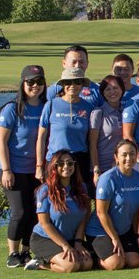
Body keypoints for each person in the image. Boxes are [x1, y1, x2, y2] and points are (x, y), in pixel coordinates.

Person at [0, 65, 46, 267]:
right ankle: (13, 253)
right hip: (15, 169)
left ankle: (27, 251)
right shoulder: (13, 109)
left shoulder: (46, 106)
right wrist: (6, 169)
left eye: (39, 82)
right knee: (20, 212)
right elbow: (1, 141)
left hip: (38, 169)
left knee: (35, 211)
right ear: (23, 83)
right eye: (30, 82)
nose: (35, 86)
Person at [84, 139, 139, 271]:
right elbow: (101, 212)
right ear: (116, 157)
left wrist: (135, 235)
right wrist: (114, 238)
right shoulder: (108, 179)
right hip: (100, 231)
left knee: (134, 261)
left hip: (123, 230)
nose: (129, 158)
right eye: (124, 155)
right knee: (116, 264)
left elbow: (135, 210)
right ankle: (94, 255)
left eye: (132, 154)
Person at [26, 151, 93, 273]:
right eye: (61, 164)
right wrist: (65, 246)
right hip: (45, 239)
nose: (66, 166)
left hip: (70, 239)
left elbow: (83, 218)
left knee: (87, 264)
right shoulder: (45, 190)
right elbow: (45, 224)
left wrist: (78, 242)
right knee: (71, 266)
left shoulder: (82, 188)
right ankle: (41, 263)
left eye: (70, 163)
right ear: (54, 167)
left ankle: (53, 258)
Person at [37, 66, 97, 195]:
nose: (72, 85)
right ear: (63, 84)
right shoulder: (51, 104)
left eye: (77, 82)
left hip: (79, 160)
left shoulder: (89, 107)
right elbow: (41, 138)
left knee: (79, 200)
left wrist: (95, 168)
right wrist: (39, 166)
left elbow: (92, 142)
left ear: (82, 85)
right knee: (54, 198)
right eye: (68, 82)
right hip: (55, 159)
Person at [88, 75, 127, 182]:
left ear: (122, 90)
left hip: (124, 166)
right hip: (104, 168)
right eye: (108, 89)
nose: (112, 92)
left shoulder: (127, 111)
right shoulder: (98, 113)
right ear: (103, 93)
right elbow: (92, 144)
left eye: (115, 88)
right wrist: (96, 169)